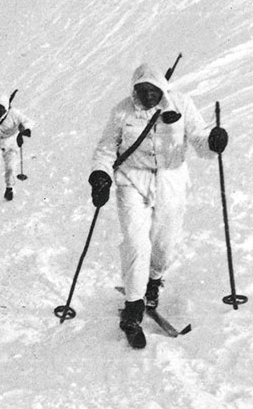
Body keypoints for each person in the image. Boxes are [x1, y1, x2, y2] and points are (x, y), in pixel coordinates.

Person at [88, 63, 228, 349]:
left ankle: (153, 282)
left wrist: (213, 141)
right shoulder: (123, 111)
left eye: (153, 91)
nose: (147, 97)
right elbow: (106, 148)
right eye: (142, 91)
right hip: (132, 180)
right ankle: (133, 308)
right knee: (137, 242)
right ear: (134, 89)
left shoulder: (181, 104)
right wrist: (100, 175)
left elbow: (200, 139)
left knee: (164, 244)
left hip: (171, 181)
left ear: (162, 89)